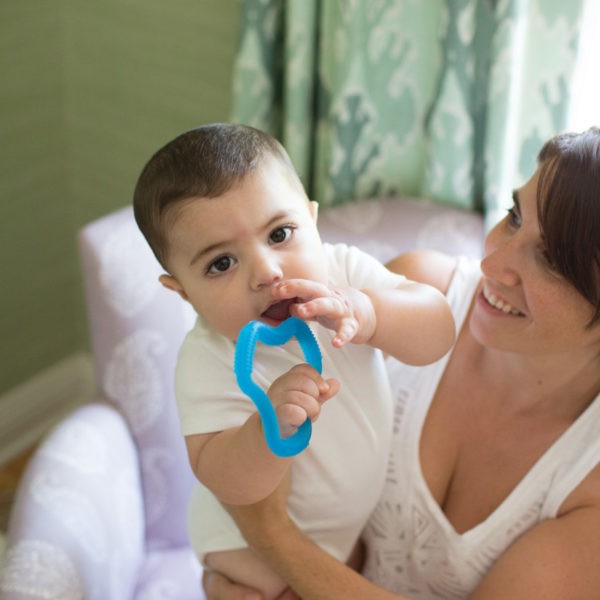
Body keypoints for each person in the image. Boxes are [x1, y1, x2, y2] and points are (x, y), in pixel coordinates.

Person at [203, 127, 600, 600]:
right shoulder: (413, 297)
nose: (492, 264)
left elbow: (265, 518)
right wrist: (236, 570)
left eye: (551, 259)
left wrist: (269, 537)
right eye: (515, 217)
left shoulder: (588, 483)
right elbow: (249, 411)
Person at [133, 123, 456, 599]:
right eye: (221, 264)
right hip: (246, 552)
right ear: (182, 291)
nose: (266, 272)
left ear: (312, 218)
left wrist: (367, 311)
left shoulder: (345, 270)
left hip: (344, 532)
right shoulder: (208, 358)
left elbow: (438, 331)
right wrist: (264, 433)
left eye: (280, 234)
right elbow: (222, 477)